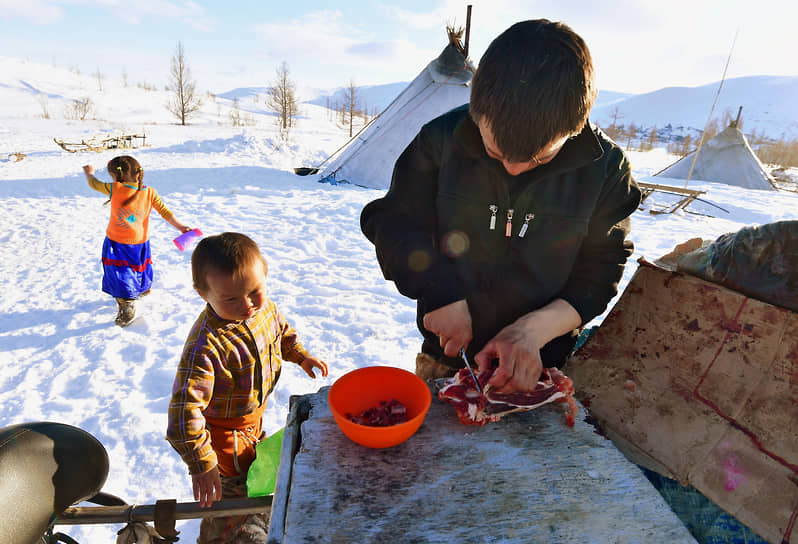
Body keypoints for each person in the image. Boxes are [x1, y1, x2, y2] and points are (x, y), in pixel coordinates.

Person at [360, 19, 642, 394]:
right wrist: (438, 290)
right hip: (447, 359)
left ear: (574, 129)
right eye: (495, 152)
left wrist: (531, 333)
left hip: (542, 361)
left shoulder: (606, 169)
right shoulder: (441, 140)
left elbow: (601, 273)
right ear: (477, 110)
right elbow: (393, 223)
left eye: (539, 159)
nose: (513, 168)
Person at [166, 232, 328, 544]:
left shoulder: (263, 309)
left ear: (264, 274)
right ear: (203, 293)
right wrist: (203, 464)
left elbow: (281, 332)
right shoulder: (205, 347)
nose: (247, 305)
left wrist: (301, 356)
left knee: (256, 471)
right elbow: (183, 415)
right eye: (230, 299)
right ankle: (219, 535)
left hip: (253, 418)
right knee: (234, 491)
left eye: (254, 291)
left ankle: (255, 509)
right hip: (223, 434)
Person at [82, 156, 191, 326]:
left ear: (116, 176)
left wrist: (89, 173)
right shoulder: (149, 192)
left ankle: (126, 303)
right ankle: (142, 289)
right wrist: (181, 227)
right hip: (140, 241)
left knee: (121, 270)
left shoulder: (115, 189)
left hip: (117, 241)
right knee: (138, 264)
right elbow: (164, 211)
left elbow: (93, 184)